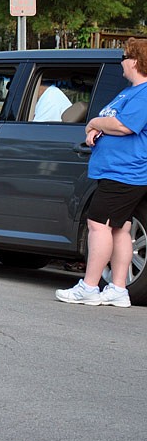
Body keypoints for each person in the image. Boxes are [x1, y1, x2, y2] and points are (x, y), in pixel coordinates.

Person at [55, 38, 147, 308]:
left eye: (124, 57)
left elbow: (124, 125)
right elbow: (114, 122)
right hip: (116, 170)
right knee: (120, 228)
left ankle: (90, 286)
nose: (121, 61)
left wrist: (95, 122)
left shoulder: (144, 92)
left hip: (125, 172)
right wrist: (98, 128)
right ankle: (118, 288)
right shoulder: (130, 91)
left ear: (135, 61)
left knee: (98, 225)